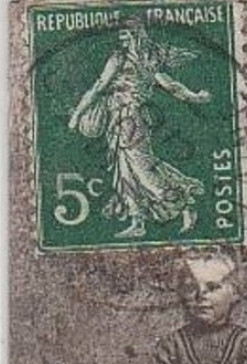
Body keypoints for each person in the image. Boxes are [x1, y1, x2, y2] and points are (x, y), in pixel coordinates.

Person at [66, 17, 209, 239]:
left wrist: (194, 96)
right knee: (125, 172)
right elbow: (98, 86)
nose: (121, 38)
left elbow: (168, 84)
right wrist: (78, 114)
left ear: (136, 34)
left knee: (142, 170)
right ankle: (138, 221)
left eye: (125, 34)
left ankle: (183, 204)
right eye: (121, 34)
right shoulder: (121, 58)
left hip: (132, 120)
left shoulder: (143, 60)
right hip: (118, 120)